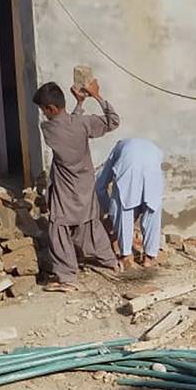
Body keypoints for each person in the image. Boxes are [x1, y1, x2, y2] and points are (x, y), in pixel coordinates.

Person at [34, 78, 121, 291]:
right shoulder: (83, 124)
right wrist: (95, 96)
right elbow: (113, 121)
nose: (44, 114)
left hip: (65, 190)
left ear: (51, 108)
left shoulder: (48, 129)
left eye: (44, 110)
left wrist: (80, 104)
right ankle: (110, 261)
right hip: (85, 185)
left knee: (59, 229)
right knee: (90, 224)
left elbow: (64, 125)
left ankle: (67, 277)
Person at [96, 138, 166, 269]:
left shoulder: (118, 148)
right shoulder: (153, 147)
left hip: (130, 168)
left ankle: (125, 255)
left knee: (123, 209)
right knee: (152, 210)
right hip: (153, 170)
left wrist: (109, 211)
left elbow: (100, 186)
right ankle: (149, 258)